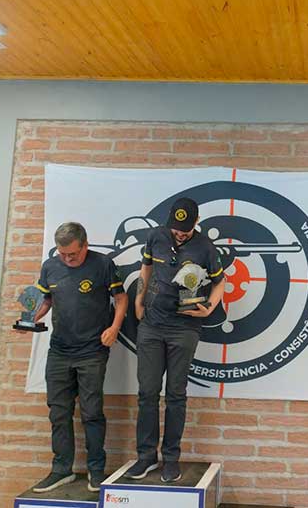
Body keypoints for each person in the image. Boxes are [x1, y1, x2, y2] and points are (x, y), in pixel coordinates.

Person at [124, 197, 225, 483]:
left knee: (176, 395)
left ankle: (171, 459)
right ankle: (146, 457)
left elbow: (220, 281)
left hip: (184, 328)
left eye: (186, 229)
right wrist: (139, 300)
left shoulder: (206, 247)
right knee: (147, 393)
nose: (180, 233)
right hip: (151, 326)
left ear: (196, 222)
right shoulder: (155, 236)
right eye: (176, 228)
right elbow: (146, 267)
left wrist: (210, 307)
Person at [28, 222, 128, 493]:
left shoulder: (103, 264)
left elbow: (121, 299)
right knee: (58, 412)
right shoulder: (50, 267)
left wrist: (114, 328)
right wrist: (30, 318)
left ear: (85, 245)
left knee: (91, 412)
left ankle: (96, 471)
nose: (68, 259)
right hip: (59, 351)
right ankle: (62, 470)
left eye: (72, 254)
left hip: (92, 351)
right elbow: (46, 300)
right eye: (62, 254)